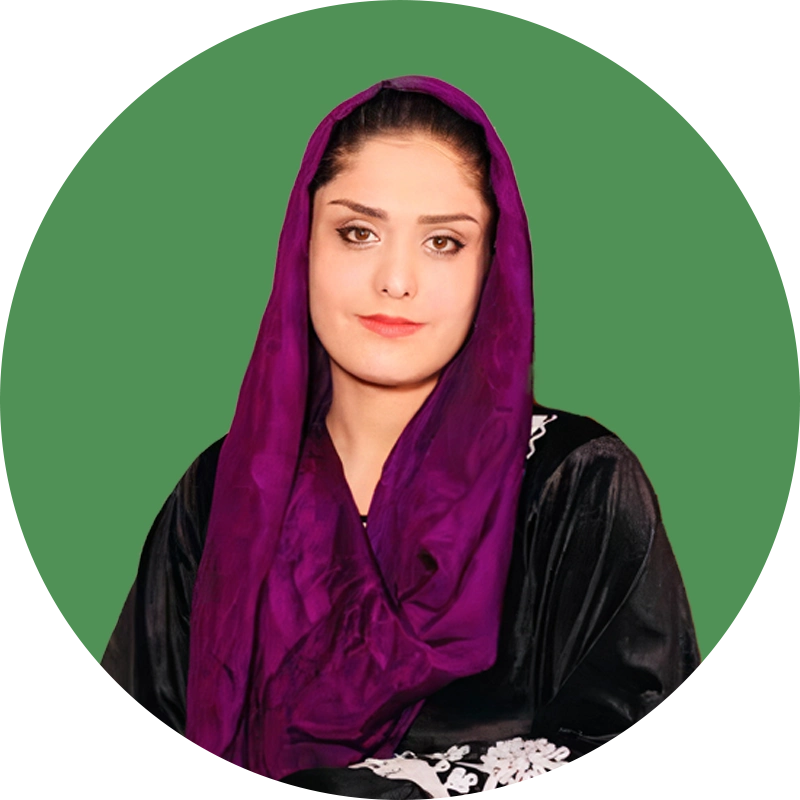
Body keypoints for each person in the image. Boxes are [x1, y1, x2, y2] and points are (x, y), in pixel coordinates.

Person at [99, 76, 700, 798]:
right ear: (303, 247)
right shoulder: (222, 487)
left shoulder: (577, 484)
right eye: (358, 232)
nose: (396, 279)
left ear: (492, 268)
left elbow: (650, 755)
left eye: (444, 242)